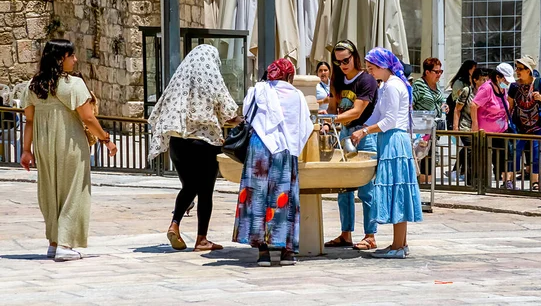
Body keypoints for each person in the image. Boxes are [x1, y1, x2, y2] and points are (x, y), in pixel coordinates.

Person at [20, 39, 118, 261]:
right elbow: (88, 117)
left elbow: (29, 121)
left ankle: (54, 242)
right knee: (74, 191)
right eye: (71, 55)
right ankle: (65, 244)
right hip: (70, 143)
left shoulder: (33, 86)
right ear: (60, 58)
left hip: (44, 145)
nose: (75, 59)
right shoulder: (73, 84)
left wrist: (26, 150)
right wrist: (106, 139)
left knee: (50, 191)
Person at [148, 45, 241, 252]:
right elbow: (228, 111)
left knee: (189, 186)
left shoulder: (178, 80)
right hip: (203, 142)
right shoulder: (211, 76)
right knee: (205, 191)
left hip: (177, 142)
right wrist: (242, 120)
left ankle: (175, 223)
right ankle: (202, 239)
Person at [232, 59, 313, 267]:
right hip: (285, 151)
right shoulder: (297, 95)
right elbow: (305, 126)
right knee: (284, 197)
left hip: (259, 148)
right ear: (289, 75)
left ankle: (263, 252)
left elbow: (247, 116)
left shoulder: (258, 90)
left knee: (258, 196)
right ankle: (286, 252)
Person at [351, 48, 422, 259]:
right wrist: (361, 127)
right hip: (388, 140)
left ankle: (398, 246)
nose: (370, 73)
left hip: (394, 140)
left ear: (383, 67)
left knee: (397, 190)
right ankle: (399, 243)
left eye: (372, 68)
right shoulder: (386, 86)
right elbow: (376, 115)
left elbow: (389, 120)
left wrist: (364, 131)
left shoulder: (392, 86)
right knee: (396, 191)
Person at [323, 40, 379, 251]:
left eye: (346, 60)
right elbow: (332, 106)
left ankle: (370, 234)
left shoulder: (367, 80)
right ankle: (345, 233)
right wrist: (327, 120)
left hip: (364, 133)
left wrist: (330, 120)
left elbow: (356, 111)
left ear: (355, 56)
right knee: (344, 187)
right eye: (338, 62)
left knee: (367, 188)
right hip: (345, 134)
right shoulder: (337, 79)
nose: (342, 65)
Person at [508, 56, 541, 191]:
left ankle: (535, 181)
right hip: (520, 125)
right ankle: (510, 180)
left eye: (520, 69)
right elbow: (510, 105)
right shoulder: (514, 86)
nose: (517, 71)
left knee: (536, 153)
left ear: (528, 70)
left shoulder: (539, 83)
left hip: (537, 124)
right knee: (515, 152)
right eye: (516, 68)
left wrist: (539, 97)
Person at [470, 63, 515, 189]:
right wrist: (475, 125)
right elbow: (474, 105)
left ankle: (507, 182)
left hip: (502, 129)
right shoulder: (486, 88)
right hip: (486, 132)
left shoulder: (503, 88)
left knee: (507, 155)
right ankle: (481, 183)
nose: (506, 82)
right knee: (484, 158)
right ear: (497, 77)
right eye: (505, 79)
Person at [412, 57, 448, 181]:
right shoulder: (419, 85)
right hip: (421, 130)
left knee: (431, 156)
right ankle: (422, 184)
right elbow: (410, 103)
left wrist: (444, 106)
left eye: (440, 72)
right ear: (427, 72)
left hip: (433, 128)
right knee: (421, 157)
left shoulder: (436, 86)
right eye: (436, 72)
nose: (439, 74)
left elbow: (440, 100)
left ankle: (428, 183)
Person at [451, 68, 489, 184]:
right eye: (483, 80)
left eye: (487, 80)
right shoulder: (467, 91)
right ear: (475, 80)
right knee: (471, 149)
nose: (485, 82)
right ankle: (471, 179)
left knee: (480, 151)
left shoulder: (487, 92)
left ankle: (478, 178)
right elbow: (457, 109)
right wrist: (456, 127)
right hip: (466, 126)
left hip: (480, 127)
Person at [446, 60, 477, 130]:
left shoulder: (471, 83)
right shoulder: (459, 83)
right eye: (474, 69)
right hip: (460, 117)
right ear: (468, 70)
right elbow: (459, 100)